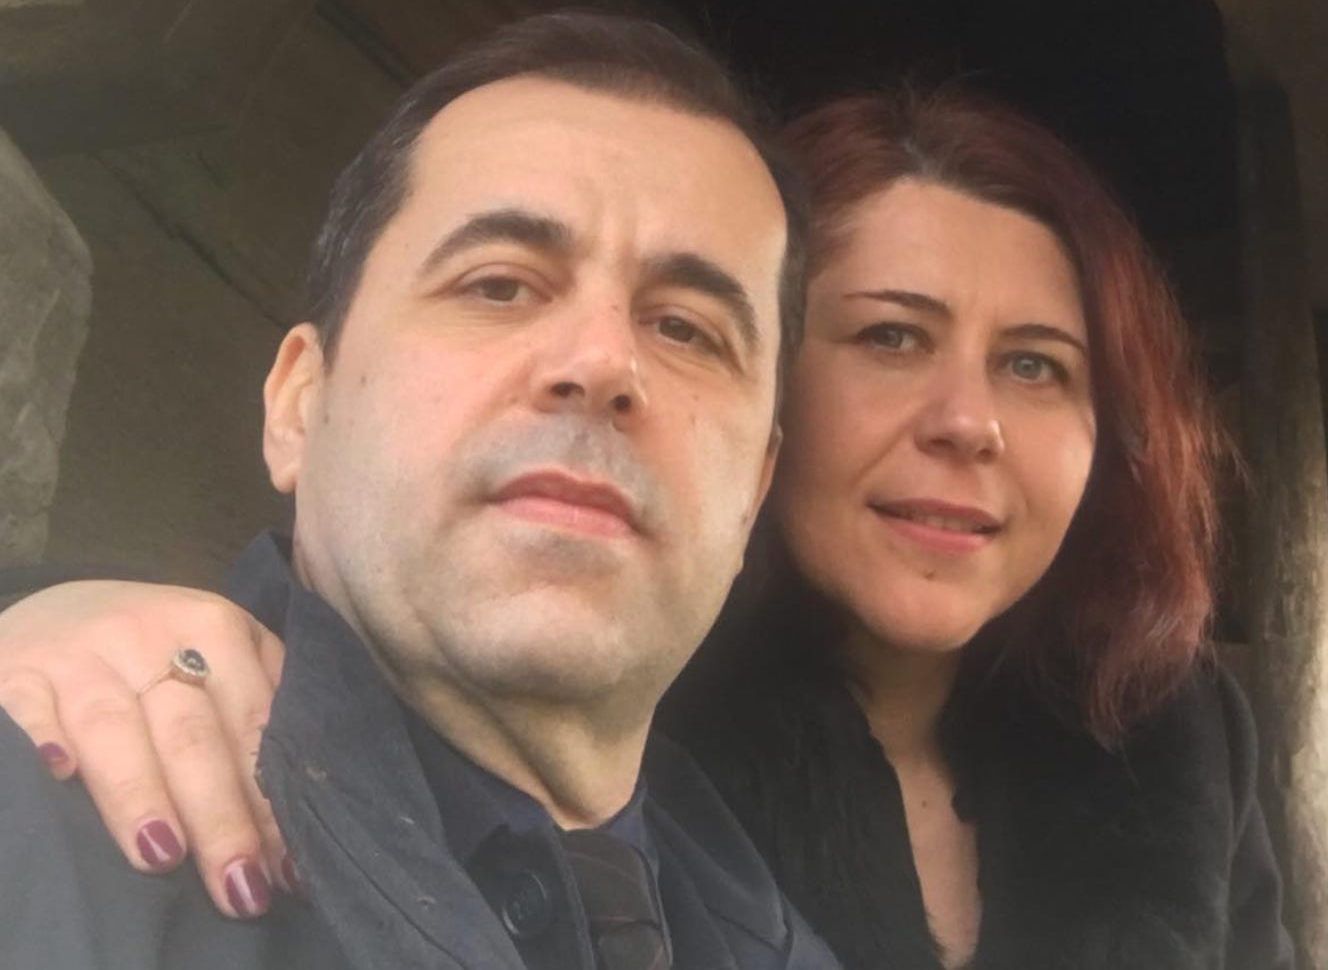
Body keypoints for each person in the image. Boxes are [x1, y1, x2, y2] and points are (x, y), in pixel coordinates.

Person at [0, 88, 1294, 970]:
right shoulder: (603, 682)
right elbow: (338, 615)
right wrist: (49, 608)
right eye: (892, 337)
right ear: (763, 399)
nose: (971, 423)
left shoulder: (1172, 739)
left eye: (1037, 366)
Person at [0, 10, 842, 970]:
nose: (603, 361)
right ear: (298, 405)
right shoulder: (34, 804)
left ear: (755, 491)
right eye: (498, 285)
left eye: (687, 329)